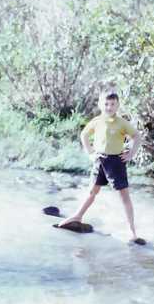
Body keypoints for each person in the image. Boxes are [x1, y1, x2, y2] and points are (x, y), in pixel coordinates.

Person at [56, 91, 146, 245]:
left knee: (124, 196)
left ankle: (132, 231)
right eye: (106, 104)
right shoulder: (97, 121)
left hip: (116, 162)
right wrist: (90, 153)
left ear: (117, 105)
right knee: (92, 192)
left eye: (112, 104)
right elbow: (84, 135)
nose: (109, 107)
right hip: (99, 160)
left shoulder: (121, 123)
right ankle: (78, 216)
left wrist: (131, 154)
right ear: (100, 105)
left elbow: (137, 136)